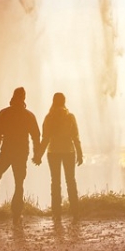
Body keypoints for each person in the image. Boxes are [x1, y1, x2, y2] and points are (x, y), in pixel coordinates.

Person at [0, 86, 41, 224]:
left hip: (6, 152)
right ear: (24, 98)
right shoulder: (28, 115)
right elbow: (35, 136)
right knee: (19, 183)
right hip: (21, 153)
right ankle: (16, 215)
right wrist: (37, 155)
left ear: (13, 96)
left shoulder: (4, 113)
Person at [35, 92, 83, 222]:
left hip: (53, 152)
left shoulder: (49, 117)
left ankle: (56, 214)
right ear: (64, 101)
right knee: (71, 181)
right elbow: (75, 137)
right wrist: (80, 153)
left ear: (53, 101)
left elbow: (45, 139)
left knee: (55, 182)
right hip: (69, 152)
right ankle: (75, 212)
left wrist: (38, 155)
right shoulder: (70, 117)